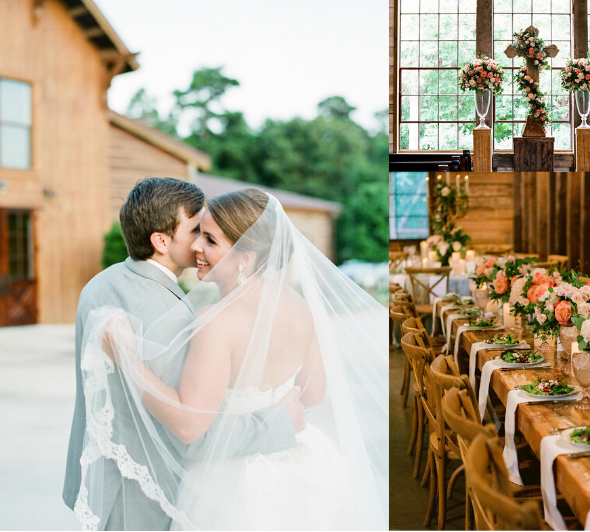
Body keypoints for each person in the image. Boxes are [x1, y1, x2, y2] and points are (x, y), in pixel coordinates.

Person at [77, 187, 388, 530]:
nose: (196, 246)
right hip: (305, 465)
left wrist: (127, 357)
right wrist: (273, 406)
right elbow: (312, 394)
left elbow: (189, 424)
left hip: (232, 480)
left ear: (245, 258)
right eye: (198, 234)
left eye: (210, 240)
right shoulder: (302, 307)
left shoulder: (214, 320)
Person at [63, 178, 304, 531]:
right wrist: (278, 422)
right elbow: (189, 431)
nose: (203, 240)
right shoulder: (173, 317)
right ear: (161, 241)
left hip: (100, 485)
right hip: (147, 501)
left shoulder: (99, 285)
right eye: (196, 231)